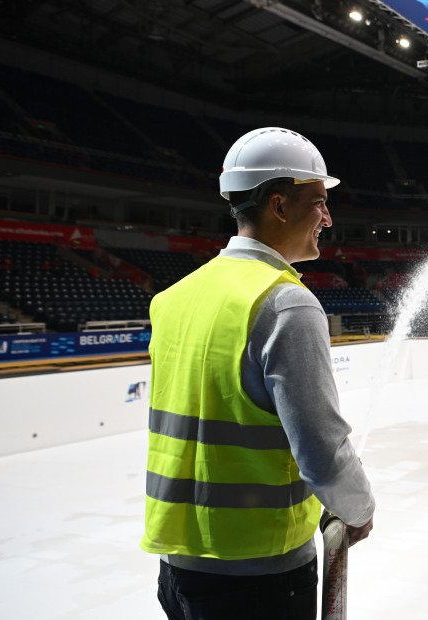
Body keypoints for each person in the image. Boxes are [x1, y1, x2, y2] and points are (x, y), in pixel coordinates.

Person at [141, 127, 375, 619]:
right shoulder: (285, 302)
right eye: (318, 202)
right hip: (258, 577)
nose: (328, 218)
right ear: (279, 205)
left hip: (178, 571)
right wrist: (359, 509)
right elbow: (322, 454)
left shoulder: (174, 298)